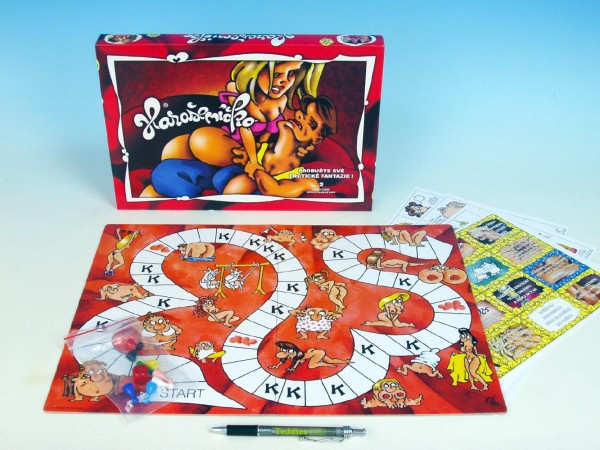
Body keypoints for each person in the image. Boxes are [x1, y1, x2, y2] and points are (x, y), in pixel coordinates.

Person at [148, 95, 337, 198]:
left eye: (311, 123)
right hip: (204, 196)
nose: (300, 118)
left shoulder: (306, 180)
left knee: (245, 182)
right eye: (302, 113)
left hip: (244, 220)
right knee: (164, 173)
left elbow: (273, 190)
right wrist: (251, 157)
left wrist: (253, 166)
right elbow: (243, 130)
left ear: (317, 139)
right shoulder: (259, 147)